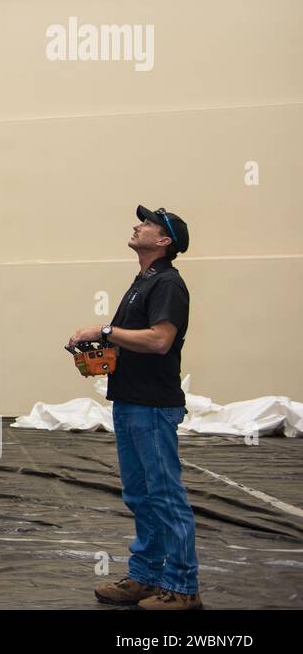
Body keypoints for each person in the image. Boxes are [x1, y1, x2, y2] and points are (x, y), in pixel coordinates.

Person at [71, 206, 200, 610]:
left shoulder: (168, 284)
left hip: (152, 407)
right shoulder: (142, 282)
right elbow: (132, 340)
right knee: (141, 496)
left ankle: (182, 587)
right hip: (129, 403)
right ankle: (146, 577)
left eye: (147, 224)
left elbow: (160, 340)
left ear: (164, 241)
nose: (137, 226)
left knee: (164, 496)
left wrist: (104, 330)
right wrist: (96, 350)